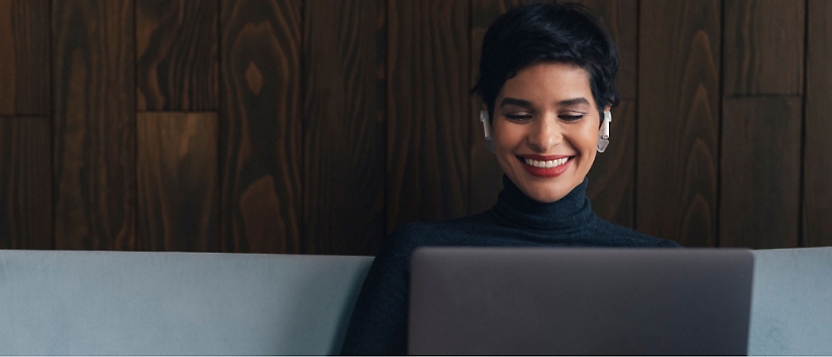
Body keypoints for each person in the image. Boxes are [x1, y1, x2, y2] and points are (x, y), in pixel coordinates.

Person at [340, 3, 680, 355]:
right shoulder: (417, 253)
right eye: (519, 115)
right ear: (488, 121)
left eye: (571, 115)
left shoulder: (665, 267)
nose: (545, 139)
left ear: (602, 122)